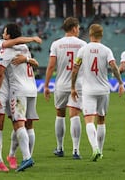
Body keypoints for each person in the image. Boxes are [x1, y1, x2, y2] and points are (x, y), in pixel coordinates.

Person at [0, 26, 42, 172]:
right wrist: (32, 41)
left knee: (18, 123)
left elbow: (0, 73)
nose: (2, 34)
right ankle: (5, 159)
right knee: (22, 124)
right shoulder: (23, 47)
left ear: (9, 35)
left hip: (15, 89)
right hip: (29, 89)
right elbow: (34, 62)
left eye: (5, 31)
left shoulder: (7, 49)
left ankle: (25, 157)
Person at [71, 24, 124, 161]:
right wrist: (120, 83)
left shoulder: (83, 50)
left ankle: (94, 148)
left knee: (89, 120)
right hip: (103, 90)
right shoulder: (106, 50)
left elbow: (75, 69)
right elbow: (113, 67)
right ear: (101, 35)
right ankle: (100, 151)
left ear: (90, 34)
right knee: (101, 119)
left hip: (88, 90)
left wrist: (72, 87)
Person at [44, 17, 87, 159]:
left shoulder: (56, 44)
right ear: (74, 28)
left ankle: (60, 147)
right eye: (78, 28)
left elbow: (51, 66)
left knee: (60, 114)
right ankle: (76, 150)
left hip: (61, 84)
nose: (79, 30)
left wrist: (46, 85)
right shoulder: (82, 44)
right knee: (74, 115)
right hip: (77, 84)